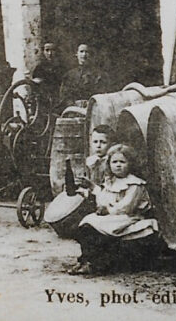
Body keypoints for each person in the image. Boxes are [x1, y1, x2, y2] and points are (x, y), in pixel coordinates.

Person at [68, 144, 160, 274]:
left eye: (122, 162)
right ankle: (86, 260)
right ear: (109, 164)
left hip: (129, 217)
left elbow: (127, 207)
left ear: (131, 164)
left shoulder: (135, 184)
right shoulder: (111, 182)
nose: (118, 165)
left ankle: (94, 264)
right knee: (87, 223)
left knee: (95, 227)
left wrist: (108, 210)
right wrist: (93, 191)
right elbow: (103, 198)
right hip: (114, 217)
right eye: (114, 162)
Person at [58, 44, 107, 112]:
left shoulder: (98, 75)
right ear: (76, 54)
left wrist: (90, 102)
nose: (84, 55)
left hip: (93, 109)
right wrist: (75, 103)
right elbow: (64, 96)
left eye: (87, 52)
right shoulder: (69, 75)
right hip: (73, 109)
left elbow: (102, 95)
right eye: (81, 51)